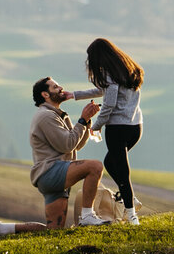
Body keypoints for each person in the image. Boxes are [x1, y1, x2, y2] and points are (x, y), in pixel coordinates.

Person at [24, 75, 111, 228]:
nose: (61, 88)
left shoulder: (58, 115)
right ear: (45, 94)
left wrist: (87, 120)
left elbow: (76, 145)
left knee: (54, 230)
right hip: (51, 172)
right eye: (55, 87)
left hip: (50, 175)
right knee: (95, 167)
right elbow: (67, 145)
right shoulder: (45, 116)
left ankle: (1, 228)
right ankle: (87, 216)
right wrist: (82, 120)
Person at [74, 37, 144, 226]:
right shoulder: (127, 70)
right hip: (135, 127)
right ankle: (131, 201)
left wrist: (95, 127)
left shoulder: (108, 74)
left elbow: (108, 104)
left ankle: (131, 214)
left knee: (122, 170)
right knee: (110, 163)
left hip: (117, 129)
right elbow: (104, 91)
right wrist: (74, 95)